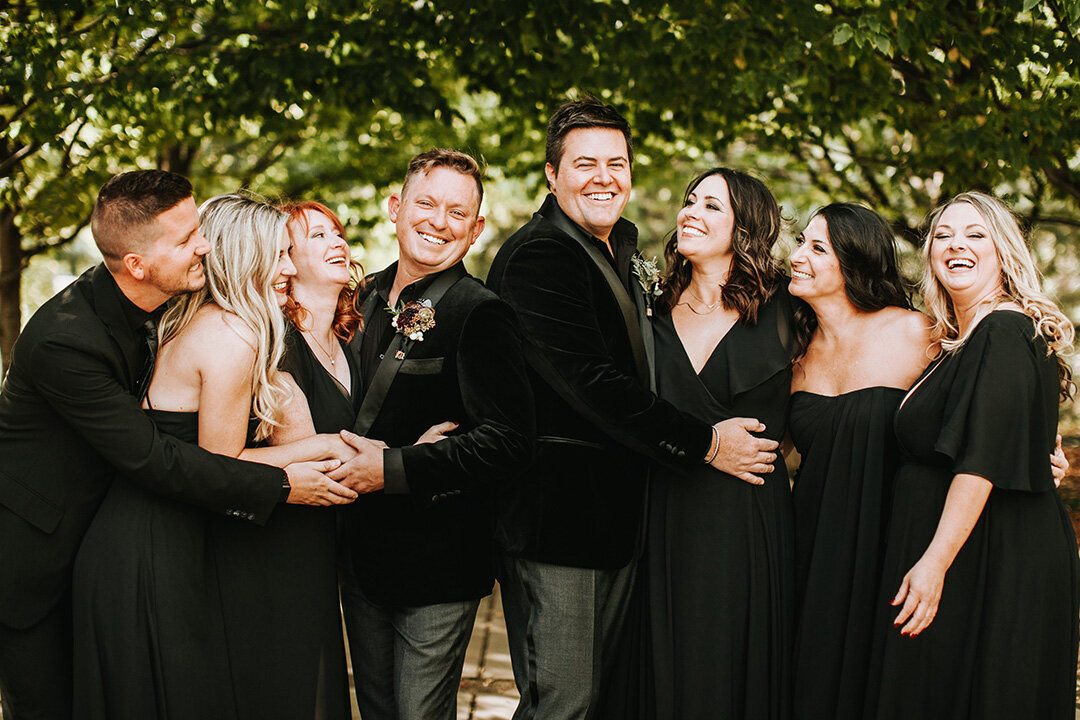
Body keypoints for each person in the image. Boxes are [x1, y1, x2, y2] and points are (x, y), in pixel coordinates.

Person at [0, 171, 343, 720]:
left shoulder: (172, 304)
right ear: (137, 264)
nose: (203, 244)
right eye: (186, 239)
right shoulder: (64, 339)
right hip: (36, 561)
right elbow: (156, 457)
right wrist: (282, 484)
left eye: (199, 229)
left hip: (114, 531)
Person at [486, 99, 777, 720]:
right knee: (563, 699)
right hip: (561, 519)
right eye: (583, 163)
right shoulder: (540, 256)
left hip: (622, 520)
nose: (602, 177)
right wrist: (705, 442)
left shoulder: (619, 246)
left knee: (599, 698)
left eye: (615, 163)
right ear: (551, 175)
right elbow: (591, 383)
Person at [329, 149, 535, 720]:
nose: (437, 221)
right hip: (357, 553)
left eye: (456, 211)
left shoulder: (481, 313)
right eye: (425, 203)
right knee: (375, 710)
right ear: (396, 207)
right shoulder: (354, 299)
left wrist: (395, 468)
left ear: (476, 229)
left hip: (440, 559)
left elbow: (510, 439)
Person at [863, 192, 1079, 719]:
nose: (956, 245)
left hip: (987, 557)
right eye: (943, 235)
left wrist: (934, 563)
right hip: (969, 548)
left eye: (976, 234)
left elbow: (979, 461)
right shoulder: (964, 339)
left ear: (1004, 250)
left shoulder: (1003, 329)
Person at [641, 168, 796, 720]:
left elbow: (860, 370)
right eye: (690, 200)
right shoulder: (648, 309)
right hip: (661, 509)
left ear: (746, 227)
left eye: (711, 205)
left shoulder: (790, 308)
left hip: (747, 517)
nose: (691, 212)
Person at [786, 203, 932, 720]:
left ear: (854, 262)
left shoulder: (919, 333)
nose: (797, 256)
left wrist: (1039, 444)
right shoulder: (792, 353)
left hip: (893, 545)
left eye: (816, 247)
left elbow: (988, 401)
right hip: (811, 549)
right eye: (801, 241)